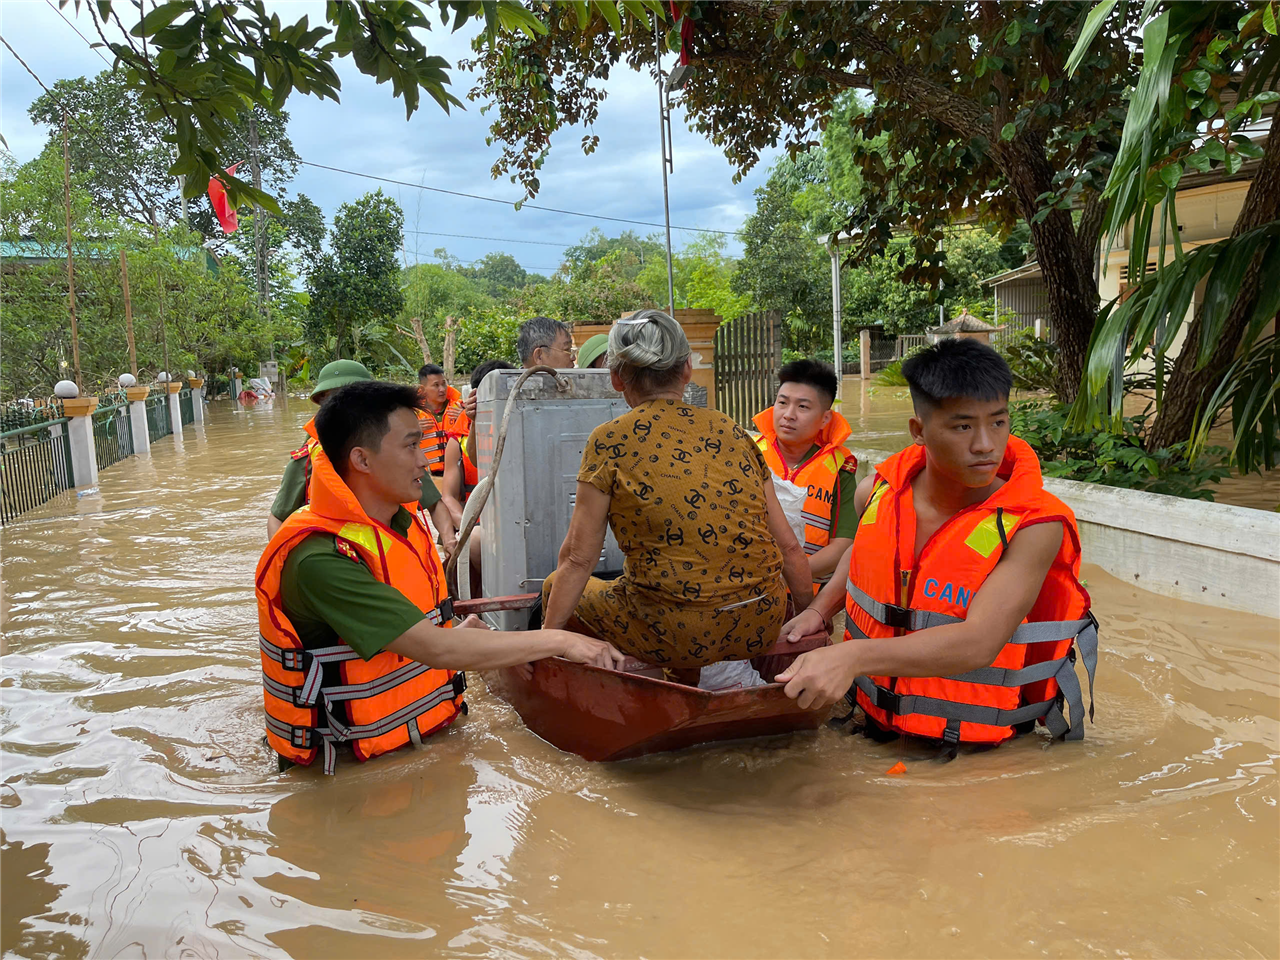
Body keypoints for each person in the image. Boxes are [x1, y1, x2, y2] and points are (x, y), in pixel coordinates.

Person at [256, 380, 625, 774]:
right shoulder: (322, 559)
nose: (422, 461)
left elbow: (425, 635)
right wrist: (562, 640)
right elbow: (437, 650)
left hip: (413, 743)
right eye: (410, 446)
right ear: (362, 460)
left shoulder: (399, 522)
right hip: (349, 771)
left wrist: (455, 630)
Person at [774, 338, 1098, 747]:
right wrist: (820, 612)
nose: (985, 444)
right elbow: (866, 552)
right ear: (919, 431)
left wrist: (850, 656)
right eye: (963, 426)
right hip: (865, 718)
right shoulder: (876, 492)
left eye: (998, 422)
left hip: (975, 752)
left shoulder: (1034, 526)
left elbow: (979, 643)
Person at [541, 309, 812, 672]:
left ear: (617, 378)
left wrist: (544, 640)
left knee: (553, 585)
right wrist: (810, 614)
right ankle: (685, 681)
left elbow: (578, 559)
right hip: (760, 622)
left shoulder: (609, 440)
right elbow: (790, 546)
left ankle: (598, 689)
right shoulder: (731, 429)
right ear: (686, 370)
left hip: (672, 633)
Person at [266, 360, 457, 557]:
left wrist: (449, 540)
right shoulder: (307, 460)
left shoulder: (391, 453)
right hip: (345, 562)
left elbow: (435, 503)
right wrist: (286, 558)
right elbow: (278, 516)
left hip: (398, 556)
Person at [753, 359, 858, 591]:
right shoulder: (747, 454)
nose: (788, 415)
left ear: (825, 419)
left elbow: (843, 544)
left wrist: (788, 575)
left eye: (803, 407)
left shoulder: (840, 469)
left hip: (805, 597)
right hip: (748, 591)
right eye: (782, 402)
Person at [417, 364, 468, 477]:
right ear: (422, 389)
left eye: (444, 383)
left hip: (460, 475)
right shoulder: (412, 414)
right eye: (436, 385)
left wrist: (465, 417)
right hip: (426, 477)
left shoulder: (460, 407)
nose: (442, 389)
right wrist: (412, 429)